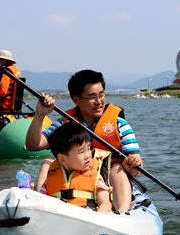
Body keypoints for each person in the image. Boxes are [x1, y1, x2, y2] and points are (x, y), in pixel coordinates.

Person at [26, 69, 143, 212]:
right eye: (92, 97)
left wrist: (133, 163)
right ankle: (42, 209)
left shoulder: (120, 125)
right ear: (76, 100)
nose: (99, 102)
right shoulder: (65, 123)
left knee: (117, 168)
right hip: (74, 176)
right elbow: (33, 145)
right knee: (46, 163)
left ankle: (122, 213)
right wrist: (40, 114)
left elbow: (137, 168)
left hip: (107, 177)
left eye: (101, 95)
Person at [38, 122, 112, 213]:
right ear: (62, 159)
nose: (88, 155)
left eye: (88, 149)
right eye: (81, 152)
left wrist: (96, 220)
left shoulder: (97, 178)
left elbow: (105, 204)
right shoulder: (50, 178)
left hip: (88, 218)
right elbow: (41, 202)